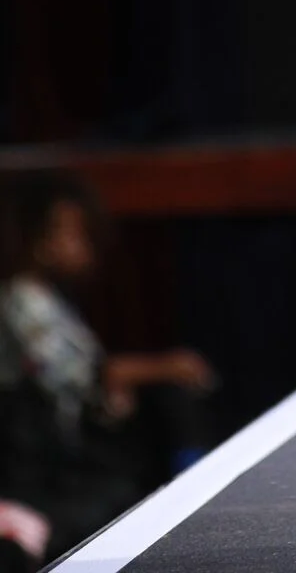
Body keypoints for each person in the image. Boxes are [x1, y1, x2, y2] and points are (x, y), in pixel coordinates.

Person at [0, 173, 220, 562]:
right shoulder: (22, 299)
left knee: (171, 401)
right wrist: (157, 369)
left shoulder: (47, 296)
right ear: (35, 237)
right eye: (66, 232)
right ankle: (195, 482)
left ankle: (196, 476)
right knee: (170, 394)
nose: (78, 245)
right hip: (43, 459)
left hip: (71, 438)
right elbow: (77, 375)